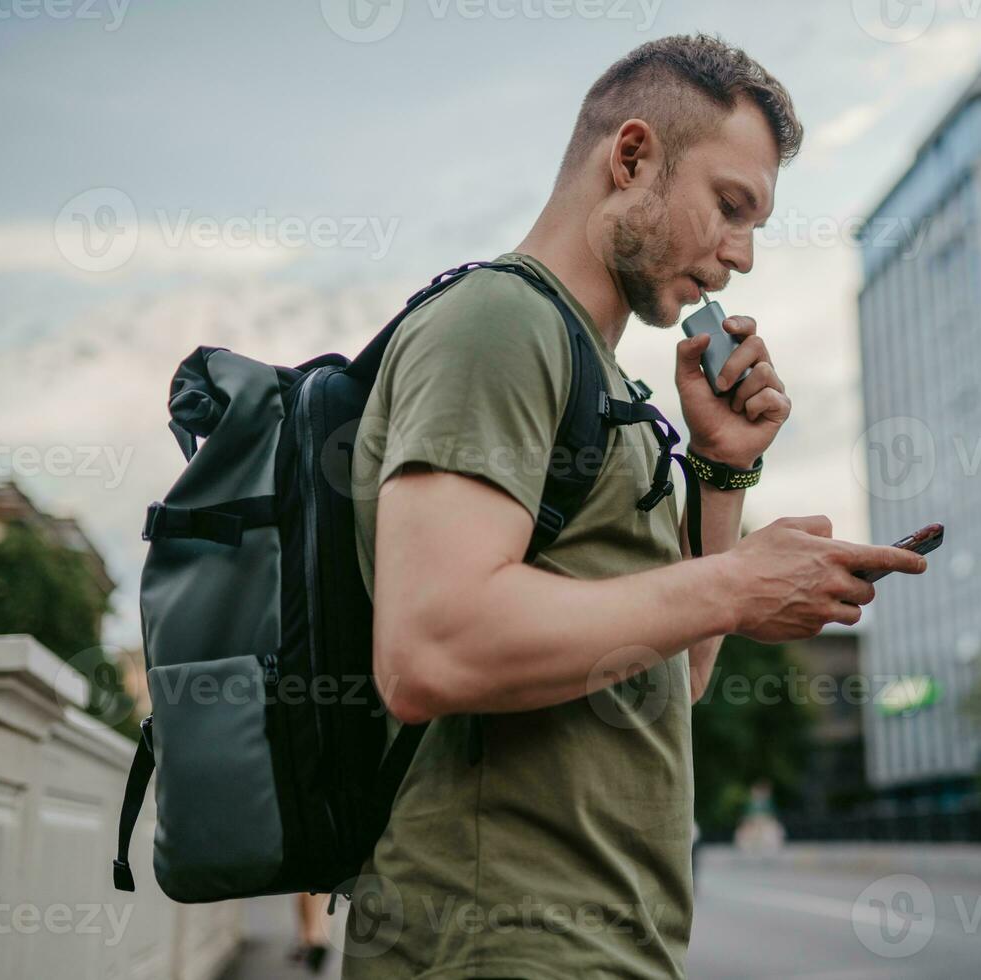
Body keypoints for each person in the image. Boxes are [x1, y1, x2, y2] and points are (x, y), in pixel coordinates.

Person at [344, 33, 927, 980]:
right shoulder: (500, 323)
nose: (740, 256)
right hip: (497, 947)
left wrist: (721, 472)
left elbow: (673, 680)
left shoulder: (610, 385)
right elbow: (428, 649)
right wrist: (736, 586)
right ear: (631, 157)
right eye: (729, 208)